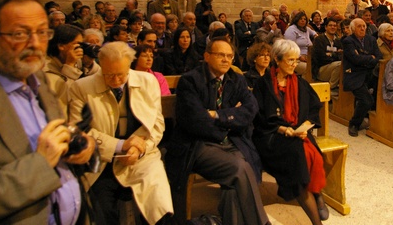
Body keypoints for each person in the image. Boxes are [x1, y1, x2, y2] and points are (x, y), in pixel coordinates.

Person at [0, 0, 95, 224]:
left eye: (42, 32)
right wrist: (40, 163)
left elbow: (49, 136)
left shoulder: (38, 78)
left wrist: (78, 145)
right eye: (20, 33)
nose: (35, 44)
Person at [165, 38, 270, 225]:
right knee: (240, 168)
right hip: (197, 144)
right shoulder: (190, 81)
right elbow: (195, 121)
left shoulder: (236, 79)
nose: (226, 60)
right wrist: (231, 121)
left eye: (229, 56)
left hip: (231, 141)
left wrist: (218, 116)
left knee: (234, 184)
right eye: (220, 55)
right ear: (207, 56)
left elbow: (250, 110)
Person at [68, 41, 174, 224]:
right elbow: (79, 130)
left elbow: (157, 124)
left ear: (129, 67)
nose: (116, 80)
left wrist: (140, 148)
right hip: (101, 159)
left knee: (159, 206)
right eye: (109, 75)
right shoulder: (81, 88)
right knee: (100, 210)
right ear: (100, 66)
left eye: (121, 75)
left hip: (143, 156)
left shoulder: (147, 81)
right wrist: (120, 146)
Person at [253, 40, 328, 224]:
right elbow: (259, 117)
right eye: (290, 60)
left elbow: (313, 108)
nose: (294, 65)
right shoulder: (263, 84)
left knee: (315, 155)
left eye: (296, 60)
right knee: (297, 156)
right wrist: (285, 129)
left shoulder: (299, 83)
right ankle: (309, 203)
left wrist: (306, 127)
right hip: (271, 134)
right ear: (277, 60)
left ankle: (316, 193)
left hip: (297, 131)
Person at [342, 18, 381, 136]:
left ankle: (374, 120)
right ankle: (354, 124)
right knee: (366, 100)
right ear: (353, 29)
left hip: (370, 74)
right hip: (354, 75)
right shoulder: (348, 41)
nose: (362, 28)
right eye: (359, 26)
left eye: (364, 26)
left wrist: (364, 58)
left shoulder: (371, 39)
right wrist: (370, 57)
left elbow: (379, 56)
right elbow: (355, 59)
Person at [44, 24, 89, 112]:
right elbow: (66, 96)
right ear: (61, 46)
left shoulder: (77, 60)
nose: (80, 48)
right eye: (77, 44)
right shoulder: (46, 68)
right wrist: (70, 65)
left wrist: (89, 64)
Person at [312, 17, 342, 91]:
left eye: (334, 26)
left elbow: (341, 55)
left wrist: (330, 54)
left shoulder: (338, 41)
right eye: (330, 25)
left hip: (333, 67)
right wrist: (335, 54)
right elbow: (321, 57)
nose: (333, 27)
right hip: (321, 69)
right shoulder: (319, 39)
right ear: (325, 27)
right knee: (339, 64)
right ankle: (330, 89)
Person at [284, 11, 317, 76]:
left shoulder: (306, 29)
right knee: (308, 69)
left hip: (309, 56)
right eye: (301, 19)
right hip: (296, 59)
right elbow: (290, 47)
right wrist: (300, 57)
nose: (303, 21)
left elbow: (314, 33)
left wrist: (316, 36)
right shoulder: (291, 30)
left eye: (304, 19)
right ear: (296, 20)